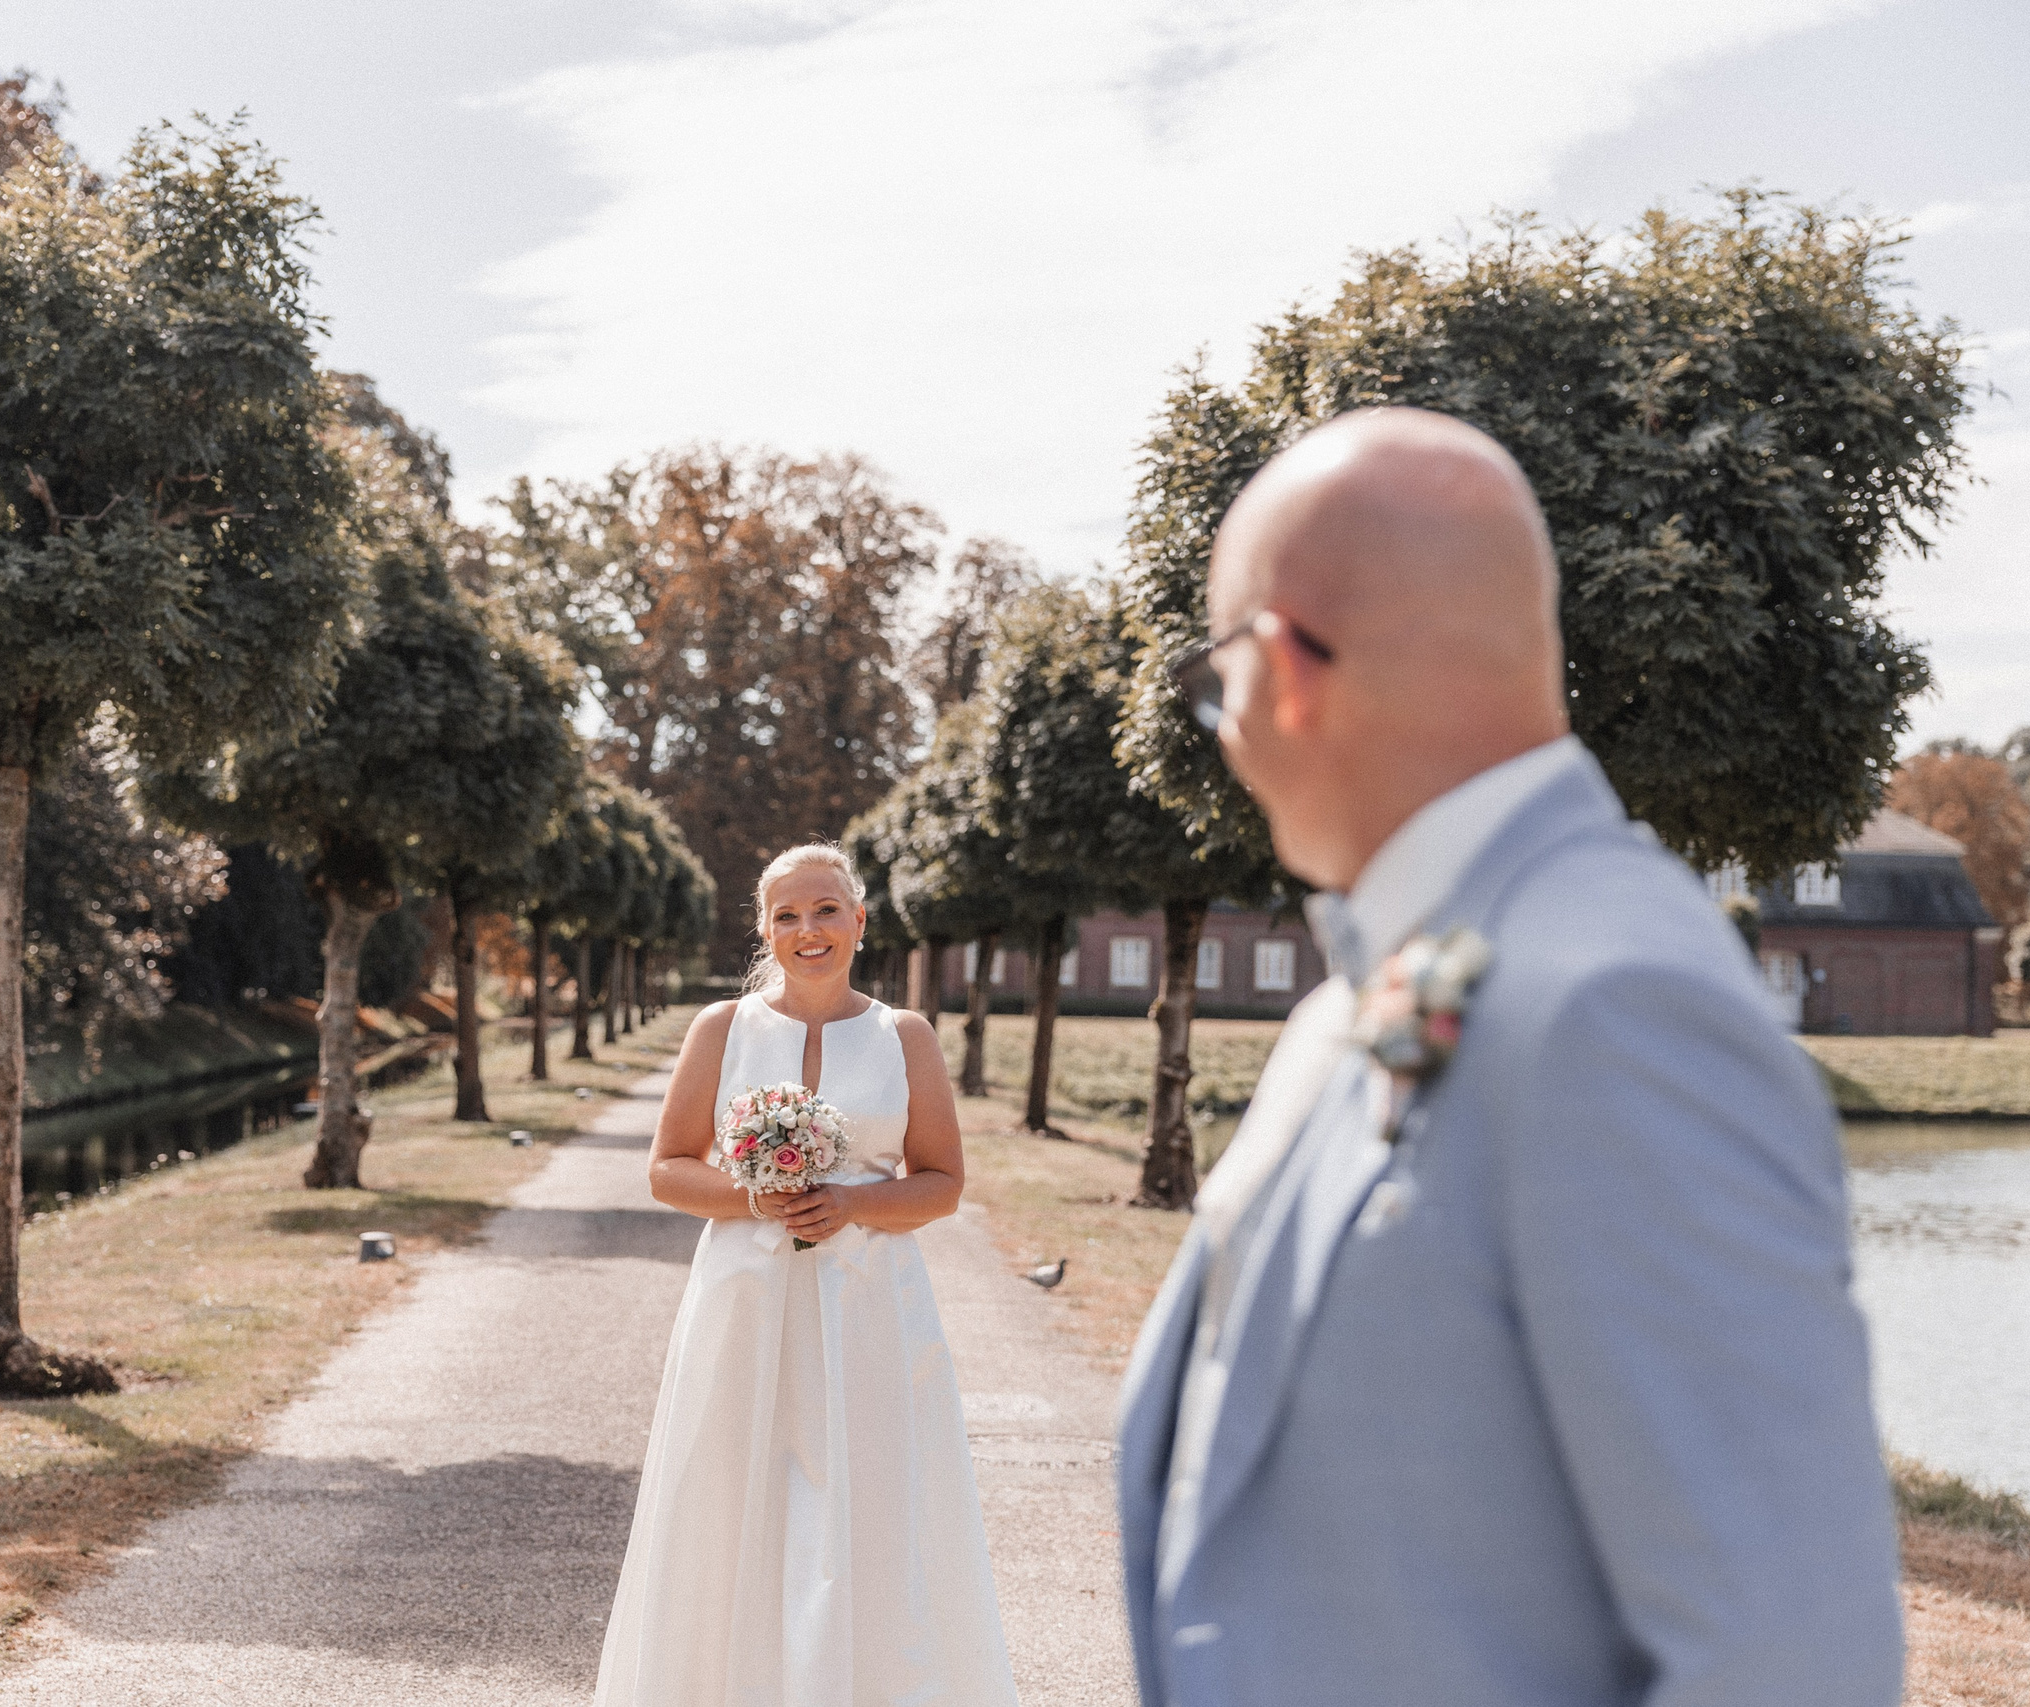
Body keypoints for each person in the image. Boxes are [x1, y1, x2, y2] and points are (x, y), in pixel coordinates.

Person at [1119, 407, 1903, 1706]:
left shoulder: (1619, 1003)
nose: (1223, 726)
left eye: (1212, 688)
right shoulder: (1356, 997)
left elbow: (1787, 1655)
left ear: (1282, 667)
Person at [595, 842, 1020, 1707]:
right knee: (728, 1494)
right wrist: (759, 1202)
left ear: (860, 921)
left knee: (870, 1502)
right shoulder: (722, 1027)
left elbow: (942, 1183)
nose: (808, 929)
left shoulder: (906, 1036)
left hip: (869, 1305)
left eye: (825, 909)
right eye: (787, 914)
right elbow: (669, 1166)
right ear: (764, 928)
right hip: (744, 1300)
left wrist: (853, 1204)